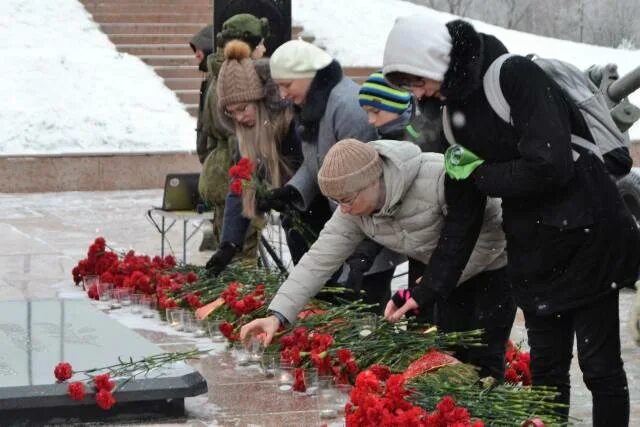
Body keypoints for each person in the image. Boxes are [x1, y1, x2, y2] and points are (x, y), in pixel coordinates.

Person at [381, 14, 640, 425]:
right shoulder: (452, 119)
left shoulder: (513, 76)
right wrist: (425, 290)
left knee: (600, 367)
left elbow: (552, 165)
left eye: (417, 80)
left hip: (589, 239)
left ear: (434, 61)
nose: (419, 93)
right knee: (547, 374)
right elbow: (462, 219)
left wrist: (481, 173)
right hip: (534, 251)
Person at [239, 138, 516, 380]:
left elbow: (489, 239)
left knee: (484, 365)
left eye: (346, 199)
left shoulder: (435, 179)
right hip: (436, 277)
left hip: (490, 270)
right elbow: (317, 260)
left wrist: (429, 285)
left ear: (371, 181)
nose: (344, 210)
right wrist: (277, 315)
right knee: (447, 364)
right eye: (338, 202)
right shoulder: (354, 210)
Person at [204, 39, 332, 274]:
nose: (239, 118)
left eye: (243, 108)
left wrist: (289, 193)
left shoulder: (294, 121)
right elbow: (241, 183)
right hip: (294, 220)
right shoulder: (247, 137)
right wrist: (229, 243)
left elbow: (316, 169)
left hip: (325, 217)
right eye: (231, 113)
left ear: (261, 100)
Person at [358, 72, 444, 318]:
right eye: (367, 112)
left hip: (437, 246)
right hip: (419, 248)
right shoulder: (386, 137)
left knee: (431, 317)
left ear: (394, 104)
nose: (371, 120)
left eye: (376, 111)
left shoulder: (422, 141)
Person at [197, 14, 268, 261]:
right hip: (234, 177)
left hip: (225, 173)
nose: (264, 49)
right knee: (241, 260)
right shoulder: (233, 80)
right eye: (259, 44)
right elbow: (236, 140)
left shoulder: (220, 72)